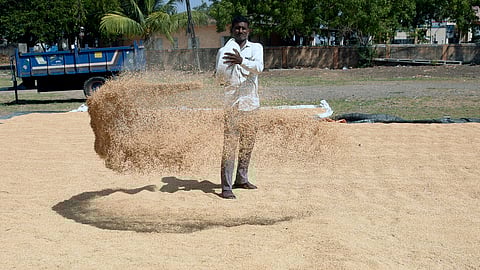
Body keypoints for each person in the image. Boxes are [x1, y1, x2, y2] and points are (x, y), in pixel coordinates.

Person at [215, 15, 264, 199]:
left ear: (248, 30)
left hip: (251, 104)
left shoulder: (256, 48)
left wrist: (241, 61)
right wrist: (227, 75)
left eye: (243, 28)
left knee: (247, 144)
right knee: (230, 146)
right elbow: (219, 77)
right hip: (232, 106)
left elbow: (259, 68)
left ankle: (241, 179)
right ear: (232, 30)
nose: (240, 31)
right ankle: (226, 188)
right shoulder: (224, 51)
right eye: (237, 28)